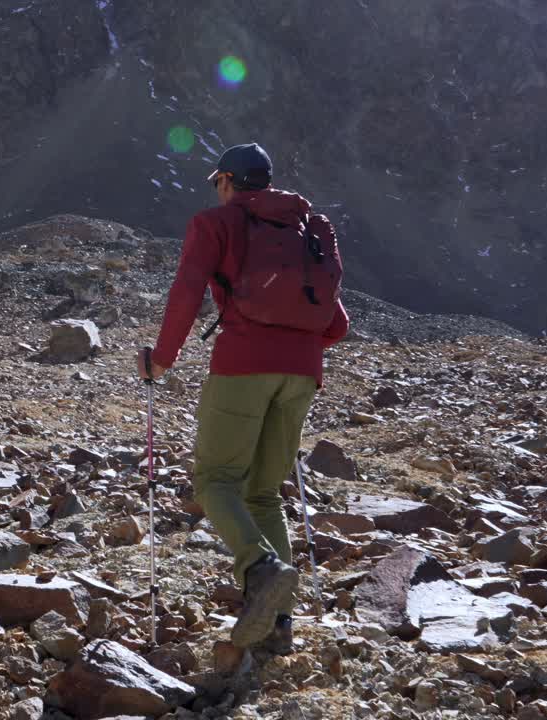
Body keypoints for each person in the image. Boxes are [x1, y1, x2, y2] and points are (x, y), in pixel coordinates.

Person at [137, 142, 349, 654]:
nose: (217, 190)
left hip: (243, 364)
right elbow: (337, 323)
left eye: (218, 182)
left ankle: (259, 566)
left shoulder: (218, 224)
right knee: (261, 492)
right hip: (303, 373)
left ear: (228, 181)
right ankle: (279, 626)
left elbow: (186, 290)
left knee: (215, 480)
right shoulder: (308, 227)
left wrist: (161, 358)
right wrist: (295, 350)